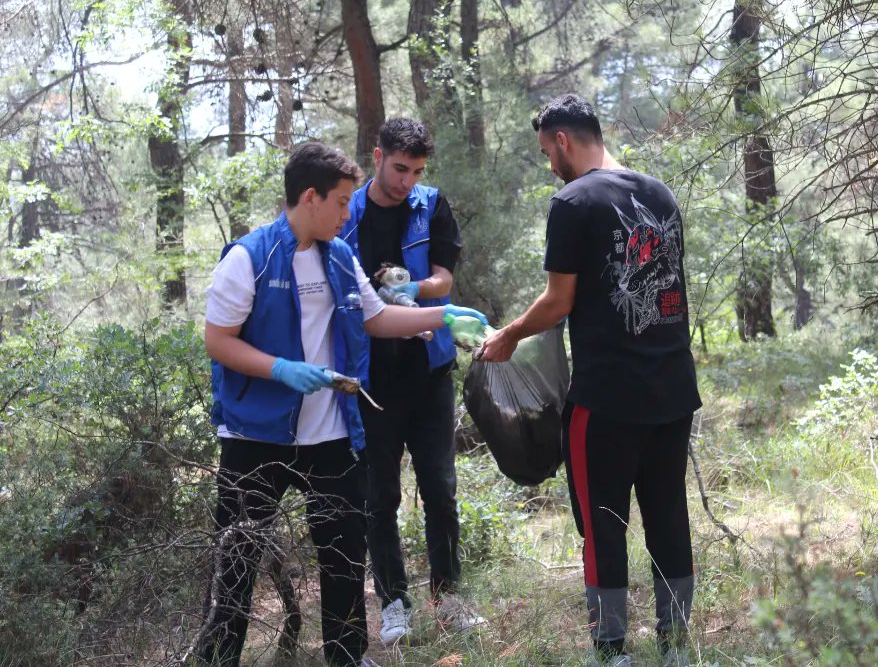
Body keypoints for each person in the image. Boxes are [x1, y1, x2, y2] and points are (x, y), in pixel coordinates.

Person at [202, 141, 486, 667]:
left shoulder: (337, 255)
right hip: (254, 437)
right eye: (339, 202)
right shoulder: (249, 257)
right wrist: (280, 368)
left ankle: (348, 657)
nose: (346, 212)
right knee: (236, 564)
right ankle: (217, 659)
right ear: (309, 197)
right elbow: (218, 341)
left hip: (330, 435)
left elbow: (375, 317)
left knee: (342, 556)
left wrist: (443, 316)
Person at [478, 95, 700, 667]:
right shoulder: (659, 193)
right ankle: (676, 647)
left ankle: (611, 652)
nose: (548, 162)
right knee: (668, 512)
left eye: (546, 151)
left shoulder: (572, 201)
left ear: (562, 141)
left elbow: (558, 302)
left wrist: (508, 336)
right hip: (673, 389)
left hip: (606, 398)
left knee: (603, 522)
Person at [338, 118, 485, 644]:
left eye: (416, 170)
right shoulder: (347, 211)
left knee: (441, 489)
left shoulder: (431, 204)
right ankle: (394, 602)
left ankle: (448, 598)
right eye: (399, 168)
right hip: (371, 377)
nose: (406, 181)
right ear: (377, 156)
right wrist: (375, 299)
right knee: (380, 497)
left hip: (429, 374)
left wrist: (411, 289)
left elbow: (445, 279)